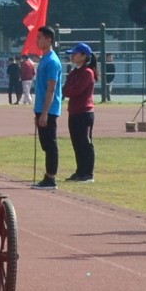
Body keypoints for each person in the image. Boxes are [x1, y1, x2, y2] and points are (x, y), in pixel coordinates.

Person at [31, 26, 64, 189]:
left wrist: (44, 113)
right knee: (45, 143)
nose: (37, 40)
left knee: (50, 143)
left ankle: (51, 177)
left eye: (40, 37)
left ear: (49, 39)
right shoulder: (44, 59)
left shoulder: (52, 61)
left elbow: (51, 88)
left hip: (49, 109)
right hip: (41, 107)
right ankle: (49, 176)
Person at [64, 41, 97, 184]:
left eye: (75, 54)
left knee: (85, 143)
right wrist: (69, 89)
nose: (72, 56)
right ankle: (80, 171)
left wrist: (70, 89)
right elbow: (66, 90)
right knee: (76, 143)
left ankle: (88, 173)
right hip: (73, 111)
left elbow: (75, 91)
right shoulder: (74, 72)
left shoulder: (87, 73)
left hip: (84, 112)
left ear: (84, 56)